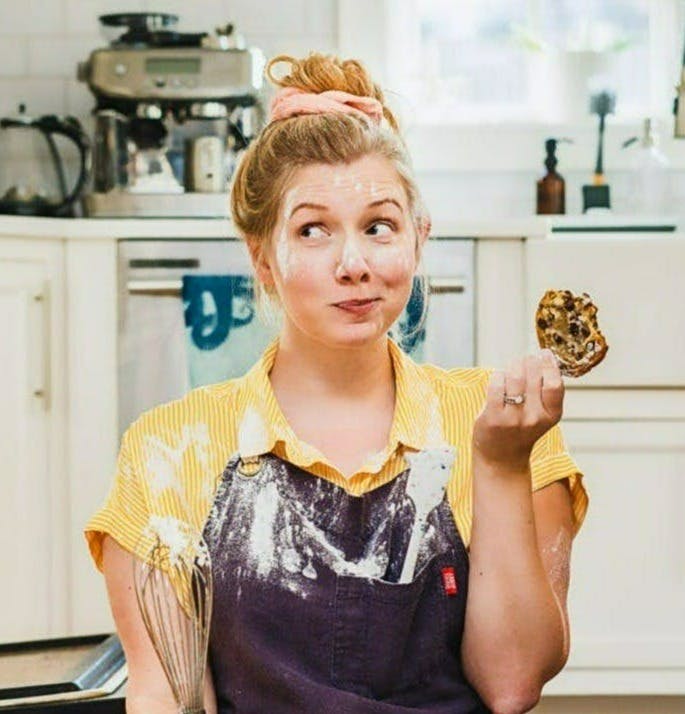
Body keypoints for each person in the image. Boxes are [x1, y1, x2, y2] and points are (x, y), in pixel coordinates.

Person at [85, 52, 588, 714]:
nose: (353, 264)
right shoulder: (170, 447)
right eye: (313, 230)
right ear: (261, 257)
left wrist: (498, 464)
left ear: (418, 239)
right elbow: (166, 694)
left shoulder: (496, 426)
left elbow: (511, 684)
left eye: (378, 226)